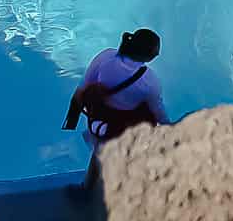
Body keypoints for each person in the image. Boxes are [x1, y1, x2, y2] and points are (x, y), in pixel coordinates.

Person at [65, 28, 168, 157]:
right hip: (118, 129)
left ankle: (93, 138)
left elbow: (82, 88)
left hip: (96, 120)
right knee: (149, 110)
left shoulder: (105, 56)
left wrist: (71, 122)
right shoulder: (150, 80)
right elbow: (158, 113)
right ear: (150, 55)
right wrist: (169, 127)